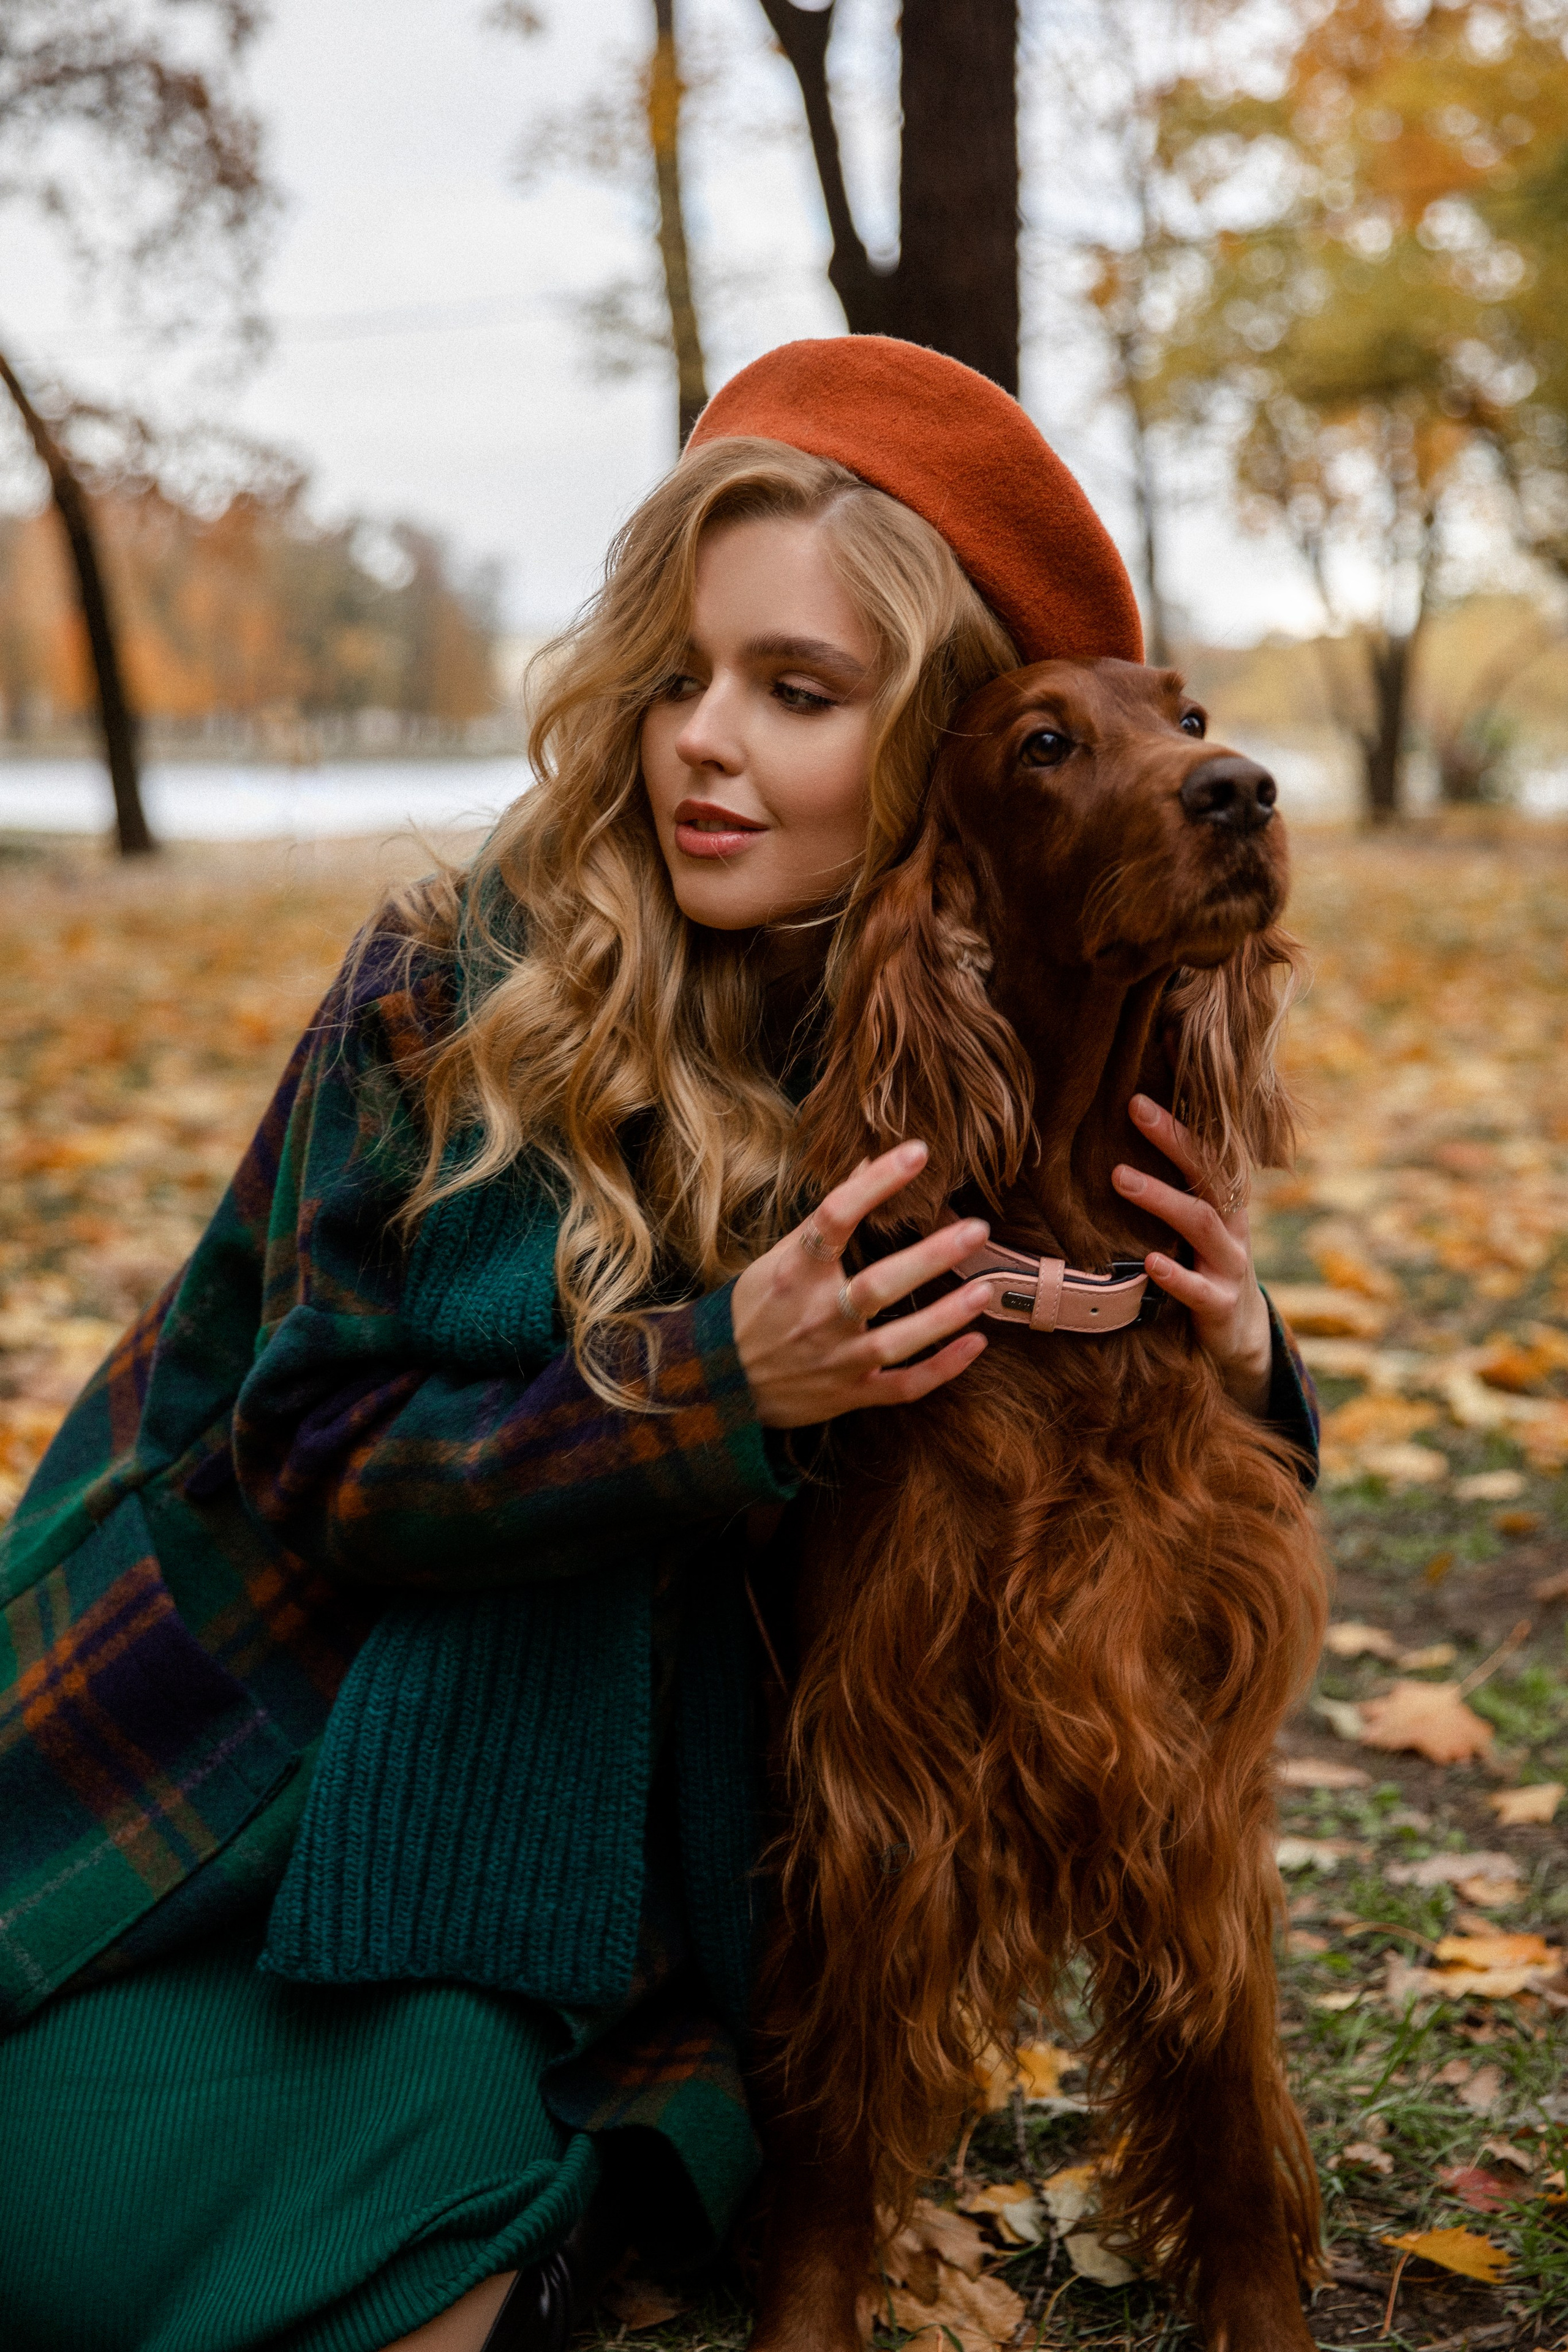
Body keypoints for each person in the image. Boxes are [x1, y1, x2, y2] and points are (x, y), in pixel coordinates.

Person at [0, 337, 1317, 2352]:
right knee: (69, 2208)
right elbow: (317, 1462)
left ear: (951, 765)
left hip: (557, 1854)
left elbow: (1084, 1377)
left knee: (408, 2231)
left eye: (797, 695)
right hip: (235, 1730)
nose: (703, 742)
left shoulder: (923, 1020)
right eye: (681, 676)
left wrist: (1243, 1350)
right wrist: (721, 1385)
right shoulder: (459, 982)